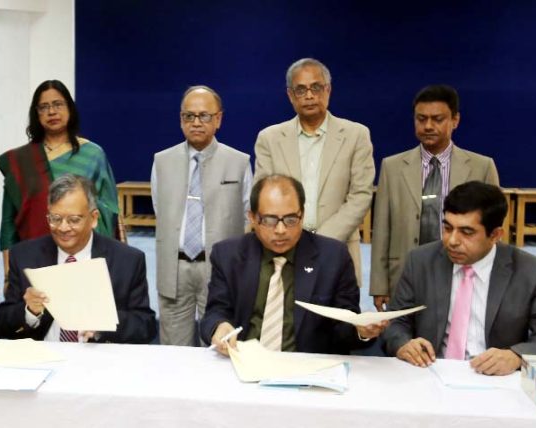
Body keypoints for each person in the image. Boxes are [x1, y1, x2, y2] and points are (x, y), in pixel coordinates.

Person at [384, 182, 536, 375]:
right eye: (447, 228)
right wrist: (403, 344)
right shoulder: (420, 261)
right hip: (429, 373)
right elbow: (396, 321)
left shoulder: (532, 272)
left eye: (466, 232)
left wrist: (516, 356)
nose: (452, 241)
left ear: (495, 235)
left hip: (495, 380)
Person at [201, 175, 386, 356]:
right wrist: (219, 325)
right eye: (269, 220)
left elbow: (344, 331)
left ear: (302, 215)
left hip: (308, 371)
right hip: (244, 363)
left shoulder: (333, 257)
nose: (280, 230)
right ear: (252, 218)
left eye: (290, 220)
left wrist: (361, 330)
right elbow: (216, 311)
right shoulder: (228, 255)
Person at [370, 85, 500, 311]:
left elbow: (494, 231)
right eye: (421, 119)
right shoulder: (392, 167)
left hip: (465, 272)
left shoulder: (482, 167)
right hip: (404, 274)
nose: (428, 126)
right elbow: (382, 229)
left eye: (437, 119)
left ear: (455, 120)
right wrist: (380, 284)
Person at [253, 58, 374, 286]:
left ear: (328, 90)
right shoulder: (269, 139)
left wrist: (318, 242)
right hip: (283, 255)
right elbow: (262, 197)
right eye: (301, 90)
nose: (309, 95)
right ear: (290, 95)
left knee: (338, 321)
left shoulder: (356, 135)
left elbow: (361, 196)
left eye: (316, 88)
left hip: (338, 252)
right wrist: (291, 235)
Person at [0, 174, 156, 344]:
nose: (63, 228)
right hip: (44, 358)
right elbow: (4, 324)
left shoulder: (127, 260)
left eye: (73, 220)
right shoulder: (24, 255)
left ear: (93, 218)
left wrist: (105, 325)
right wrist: (30, 312)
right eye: (55, 219)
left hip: (100, 360)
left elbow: (145, 326)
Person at [150, 85, 252, 346]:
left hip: (219, 269)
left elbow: (245, 217)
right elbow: (161, 210)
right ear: (181, 119)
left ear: (218, 119)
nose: (196, 123)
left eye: (204, 116)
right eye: (189, 116)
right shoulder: (162, 161)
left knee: (219, 347)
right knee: (174, 352)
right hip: (175, 266)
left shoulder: (239, 162)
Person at [0, 80, 121, 279]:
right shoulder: (21, 161)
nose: (51, 112)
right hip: (35, 258)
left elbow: (110, 211)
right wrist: (9, 273)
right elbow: (9, 222)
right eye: (44, 107)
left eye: (58, 104)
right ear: (36, 114)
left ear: (70, 108)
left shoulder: (93, 154)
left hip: (84, 258)